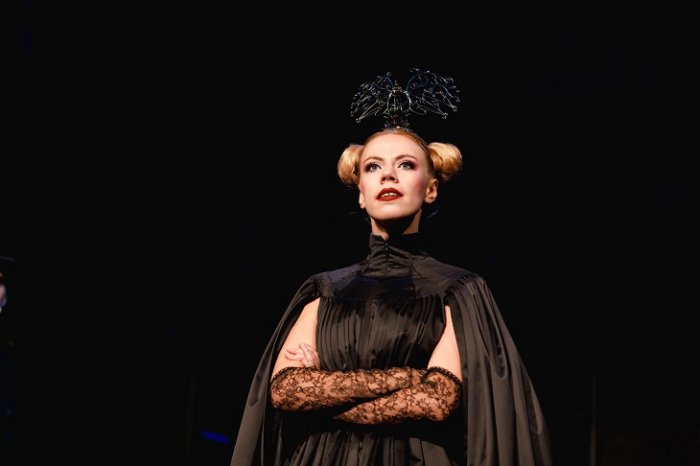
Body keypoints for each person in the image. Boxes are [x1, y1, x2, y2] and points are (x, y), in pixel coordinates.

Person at [230, 69, 552, 466]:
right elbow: (286, 390)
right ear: (360, 194)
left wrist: (323, 393)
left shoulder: (456, 289)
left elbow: (437, 399)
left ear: (430, 189)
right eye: (372, 167)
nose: (387, 174)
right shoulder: (324, 290)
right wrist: (409, 377)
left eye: (406, 165)